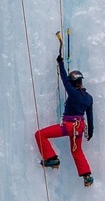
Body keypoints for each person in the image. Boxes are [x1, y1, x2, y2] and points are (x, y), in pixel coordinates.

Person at [36, 53, 93, 185]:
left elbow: (64, 80)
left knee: (40, 134)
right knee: (77, 151)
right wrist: (90, 131)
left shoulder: (73, 93)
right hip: (79, 127)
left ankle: (51, 158)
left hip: (68, 126)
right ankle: (87, 176)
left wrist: (60, 63)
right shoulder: (89, 98)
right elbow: (90, 116)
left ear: (73, 83)